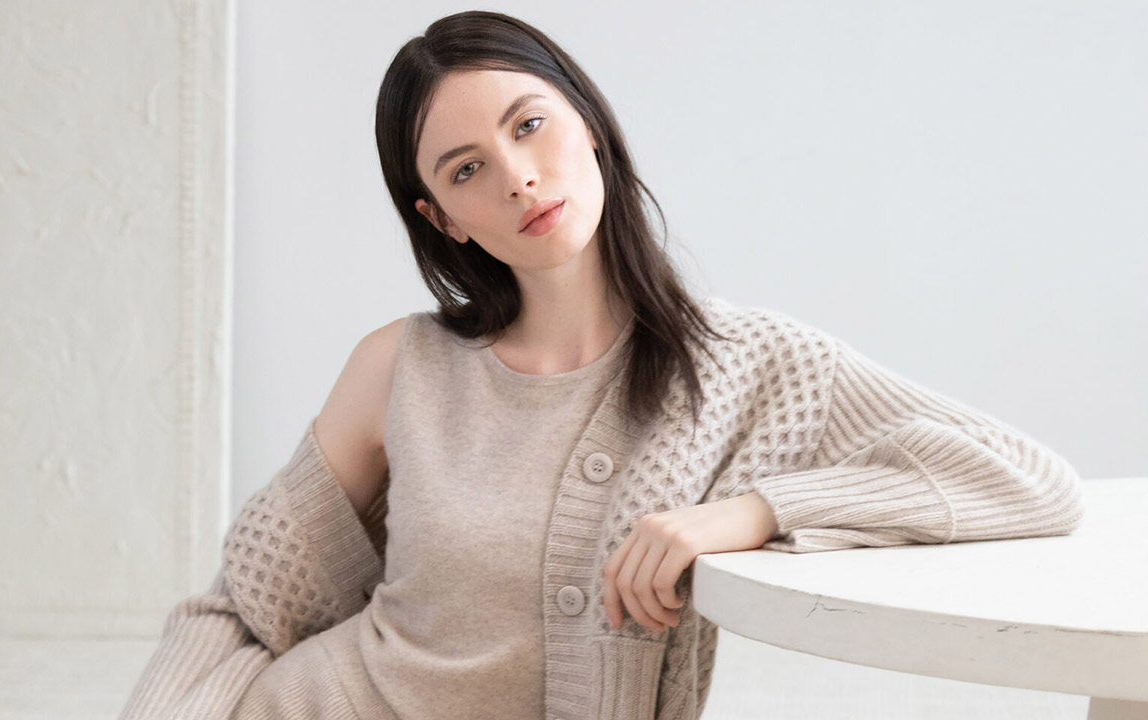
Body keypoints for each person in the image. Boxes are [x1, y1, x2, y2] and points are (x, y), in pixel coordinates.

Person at [118, 10, 1085, 720]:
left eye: (528, 125)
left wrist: (750, 515)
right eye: (465, 170)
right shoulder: (400, 367)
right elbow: (243, 608)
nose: (517, 176)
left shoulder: (748, 364)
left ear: (585, 119)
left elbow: (1028, 482)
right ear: (443, 221)